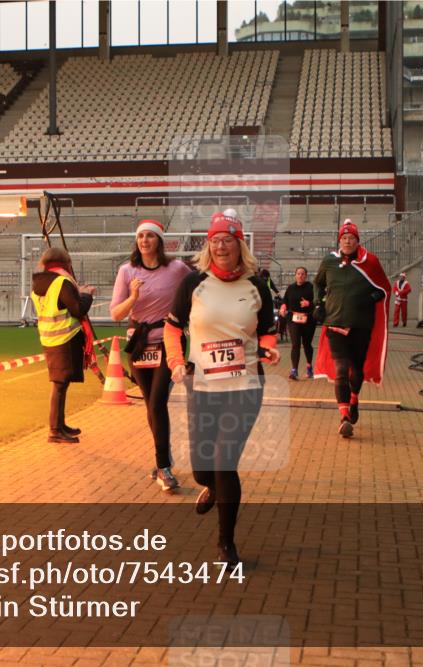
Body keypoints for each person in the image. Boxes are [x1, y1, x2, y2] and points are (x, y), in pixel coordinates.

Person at [164, 211, 280, 569]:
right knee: (202, 468)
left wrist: (270, 347)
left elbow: (267, 330)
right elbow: (172, 329)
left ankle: (225, 543)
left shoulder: (257, 285)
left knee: (224, 461)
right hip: (202, 385)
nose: (220, 246)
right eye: (214, 240)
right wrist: (174, 361)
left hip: (244, 384)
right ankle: (210, 486)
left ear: (239, 245)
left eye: (227, 240)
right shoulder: (193, 284)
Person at [110, 219, 193, 493]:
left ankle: (164, 468)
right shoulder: (126, 271)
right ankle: (162, 460)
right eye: (141, 236)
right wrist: (133, 296)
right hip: (139, 345)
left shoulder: (177, 268)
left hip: (168, 343)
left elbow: (197, 288)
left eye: (150, 236)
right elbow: (116, 314)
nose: (144, 240)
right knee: (150, 405)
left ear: (159, 240)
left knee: (157, 402)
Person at [313, 219, 391, 439]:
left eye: (352, 238)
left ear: (358, 241)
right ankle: (344, 416)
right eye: (344, 238)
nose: (347, 241)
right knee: (341, 369)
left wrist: (375, 296)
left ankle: (354, 398)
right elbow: (317, 283)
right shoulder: (329, 261)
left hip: (361, 325)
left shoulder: (371, 262)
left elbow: (384, 287)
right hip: (335, 323)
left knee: (356, 369)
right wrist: (319, 304)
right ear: (339, 241)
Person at [30, 247, 96, 444]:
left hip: (49, 338)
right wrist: (86, 294)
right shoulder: (61, 282)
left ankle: (60, 424)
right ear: (65, 262)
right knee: (59, 385)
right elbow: (78, 309)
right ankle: (55, 430)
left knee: (61, 384)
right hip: (65, 339)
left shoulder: (39, 283)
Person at [279, 266, 315, 380]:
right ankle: (294, 370)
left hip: (308, 320)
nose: (300, 276)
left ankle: (309, 366)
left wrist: (309, 303)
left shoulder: (310, 287)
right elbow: (285, 300)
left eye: (303, 274)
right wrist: (283, 307)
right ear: (295, 275)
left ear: (306, 276)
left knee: (307, 344)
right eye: (298, 273)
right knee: (295, 344)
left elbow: (317, 302)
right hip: (293, 319)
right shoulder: (291, 288)